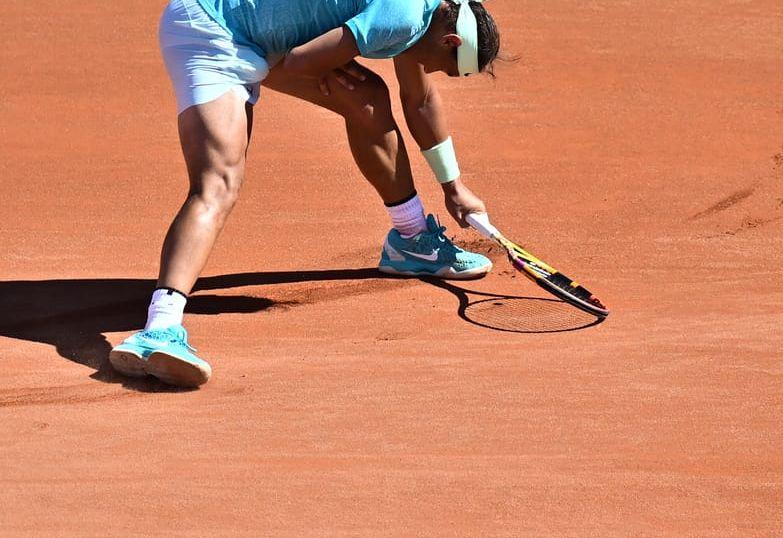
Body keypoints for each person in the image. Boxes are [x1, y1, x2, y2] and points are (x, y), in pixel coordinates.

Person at [109, 0, 504, 387]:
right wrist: (324, 64)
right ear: (451, 41)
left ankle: (412, 239)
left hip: (258, 33)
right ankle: (160, 327)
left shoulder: (423, 14)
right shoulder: (401, 16)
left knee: (367, 98)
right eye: (447, 69)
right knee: (218, 184)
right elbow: (300, 62)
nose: (435, 72)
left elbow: (419, 100)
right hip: (214, 29)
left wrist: (453, 187)